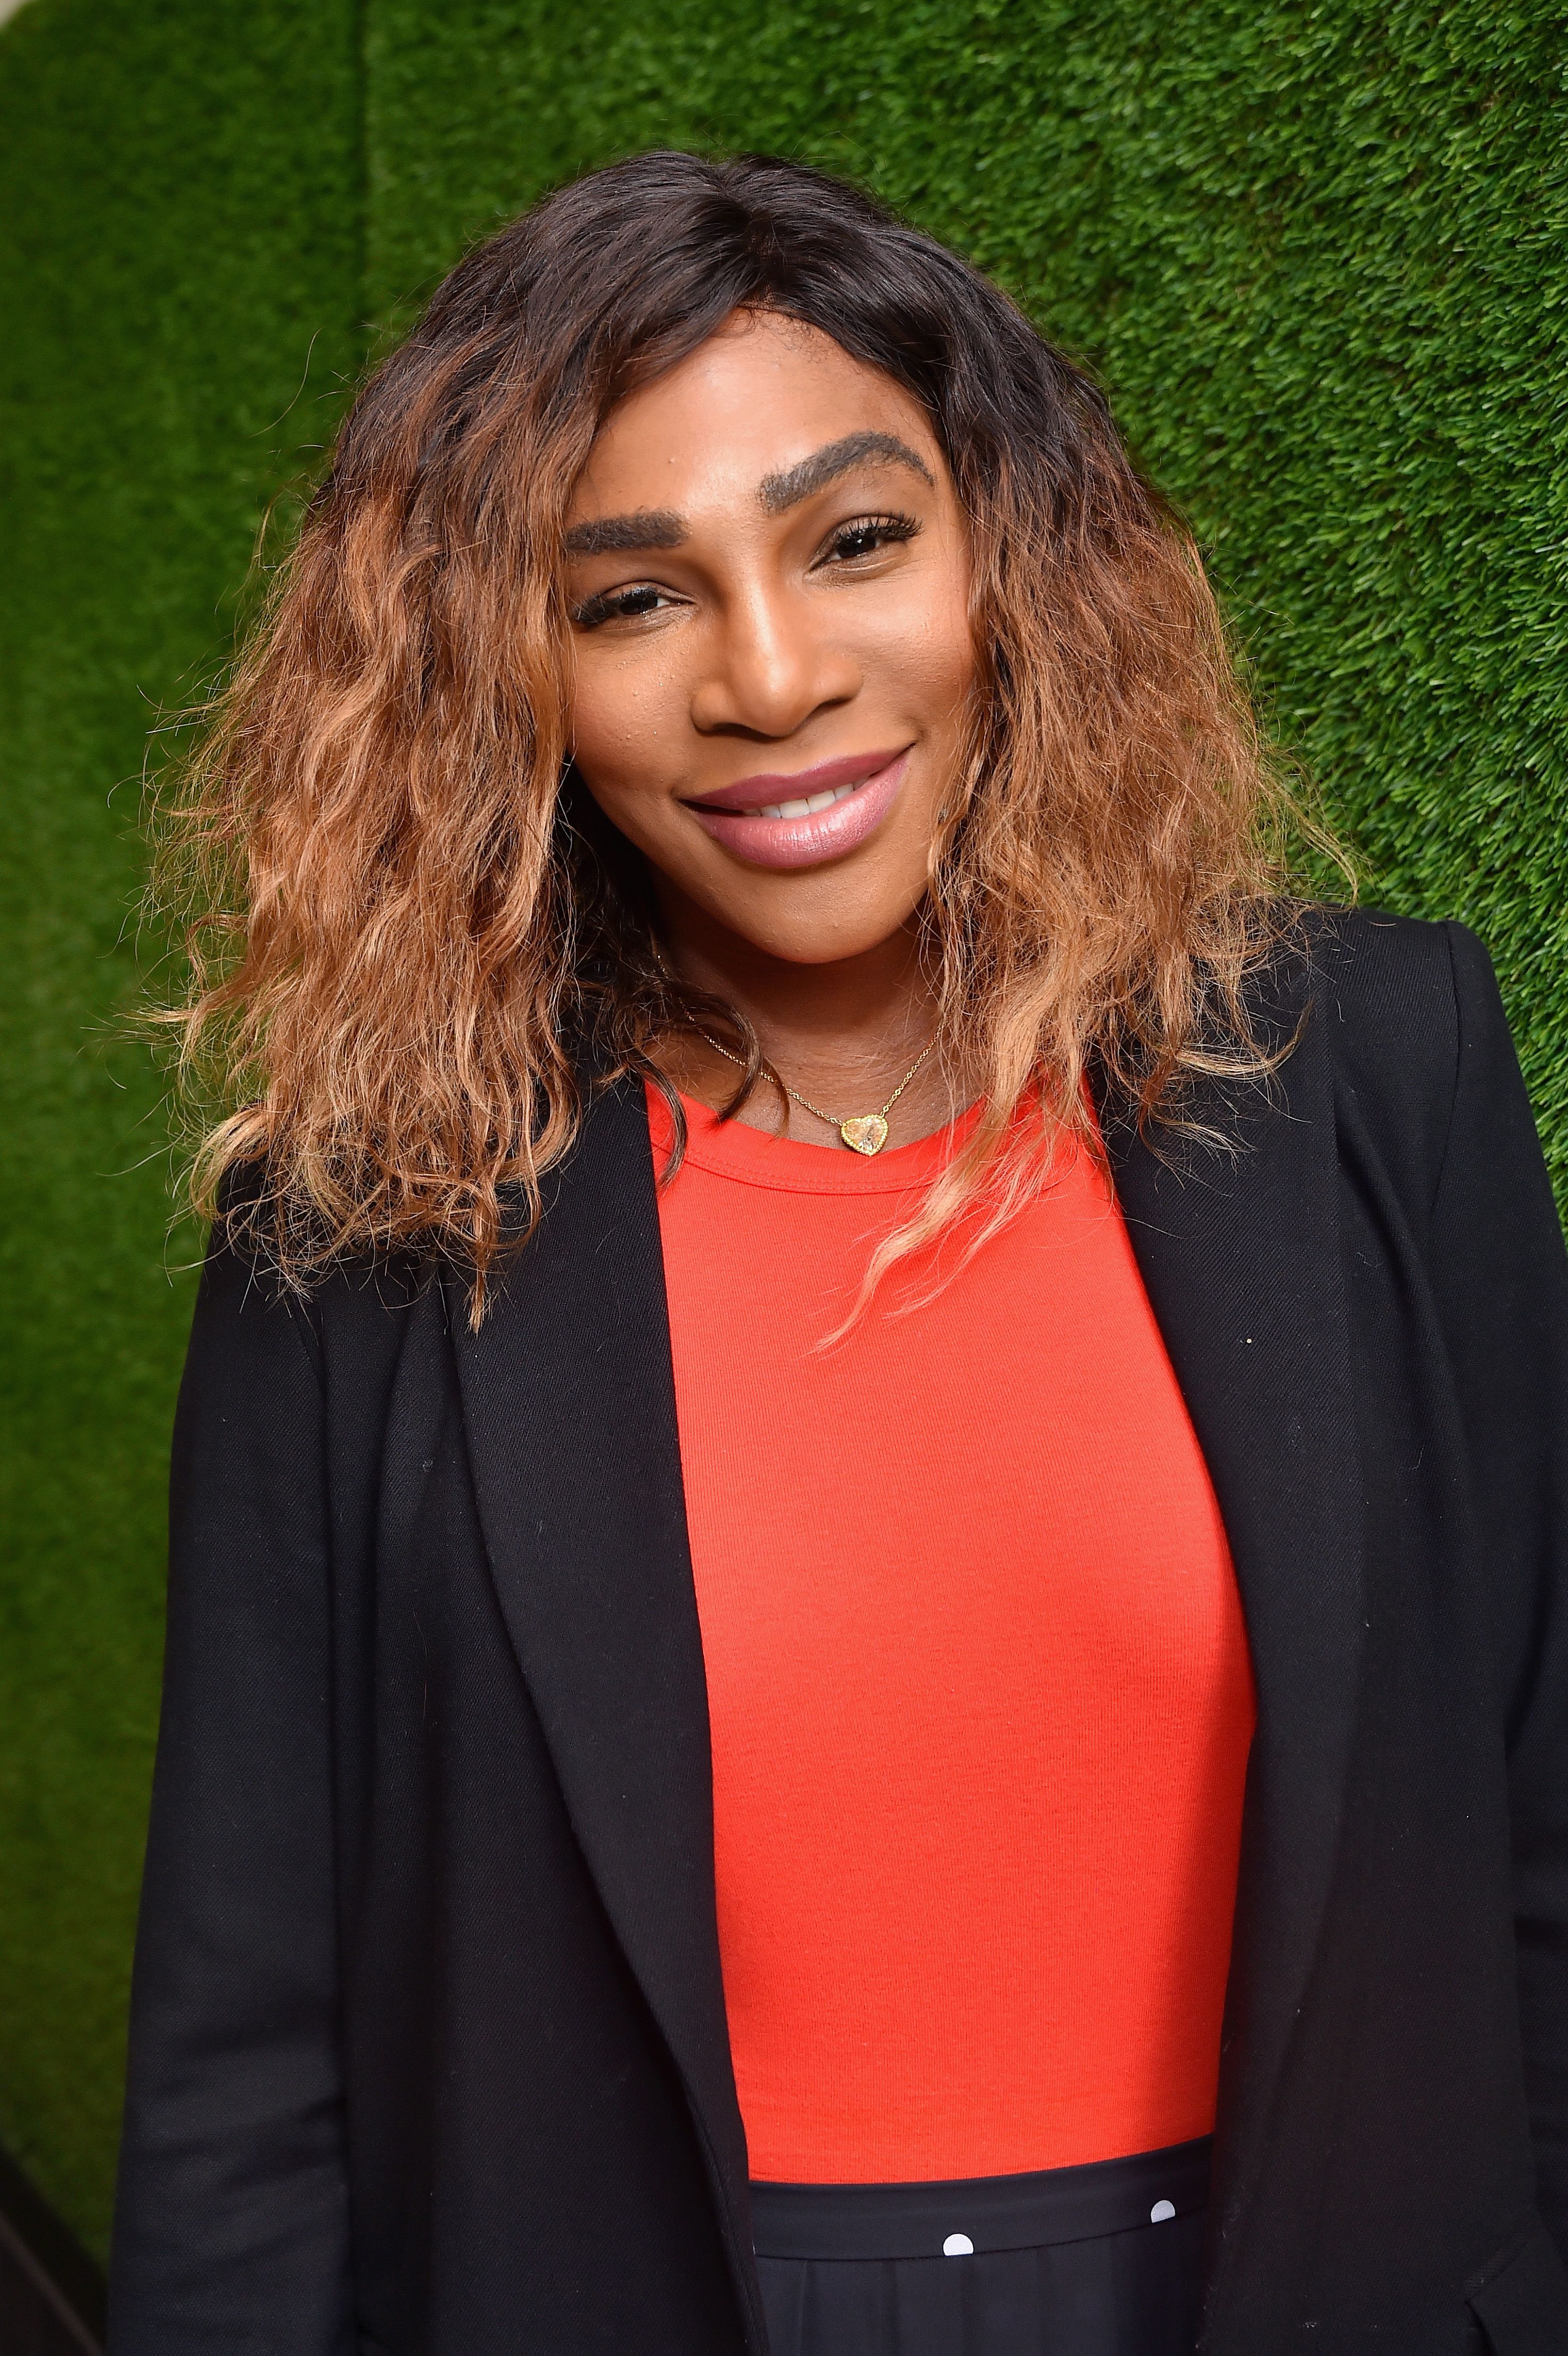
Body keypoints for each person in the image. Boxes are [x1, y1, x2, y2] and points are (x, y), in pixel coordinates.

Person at [107, 151, 1568, 2356]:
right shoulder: (363, 1217)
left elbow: (1534, 1813)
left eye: (853, 537)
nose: (772, 677)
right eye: (627, 599)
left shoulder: (1373, 1058)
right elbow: (248, 2044)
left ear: (1009, 551)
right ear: (500, 680)